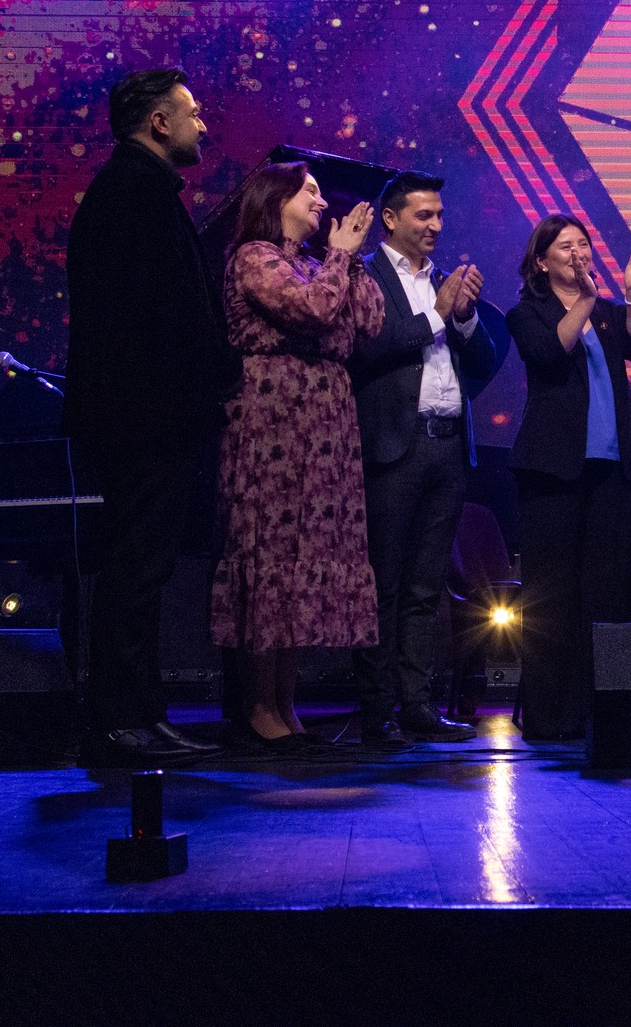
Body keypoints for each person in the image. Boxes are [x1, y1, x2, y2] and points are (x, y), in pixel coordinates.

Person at [63, 68, 237, 764]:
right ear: (159, 122)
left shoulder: (142, 191)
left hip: (149, 414)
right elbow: (153, 315)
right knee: (135, 567)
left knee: (146, 568)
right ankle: (118, 718)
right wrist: (214, 369)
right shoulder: (131, 194)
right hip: (143, 418)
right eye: (192, 112)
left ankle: (140, 713)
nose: (203, 124)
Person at [210, 163, 386, 752]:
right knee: (270, 554)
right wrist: (339, 258)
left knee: (303, 560)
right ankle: (258, 707)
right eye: (309, 191)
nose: (321, 201)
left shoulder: (318, 262)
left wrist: (350, 261)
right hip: (274, 421)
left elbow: (371, 321)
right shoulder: (253, 257)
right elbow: (311, 311)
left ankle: (285, 703)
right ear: (275, 198)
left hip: (325, 427)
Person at [347, 171, 509, 748]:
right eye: (424, 215)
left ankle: (417, 704)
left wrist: (464, 316)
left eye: (440, 215)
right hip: (395, 443)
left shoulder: (443, 281)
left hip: (448, 446)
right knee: (384, 582)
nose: (436, 225)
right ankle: (377, 710)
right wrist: (438, 315)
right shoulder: (364, 275)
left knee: (426, 585)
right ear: (391, 219)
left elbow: (484, 361)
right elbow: (367, 348)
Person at [506, 217, 631, 740]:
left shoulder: (608, 311)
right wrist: (587, 301)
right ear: (541, 261)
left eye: (584, 243)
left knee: (610, 591)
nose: (579, 252)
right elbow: (550, 352)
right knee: (553, 595)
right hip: (553, 469)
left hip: (614, 466)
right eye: (565, 245)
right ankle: (552, 716)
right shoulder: (528, 312)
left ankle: (607, 712)